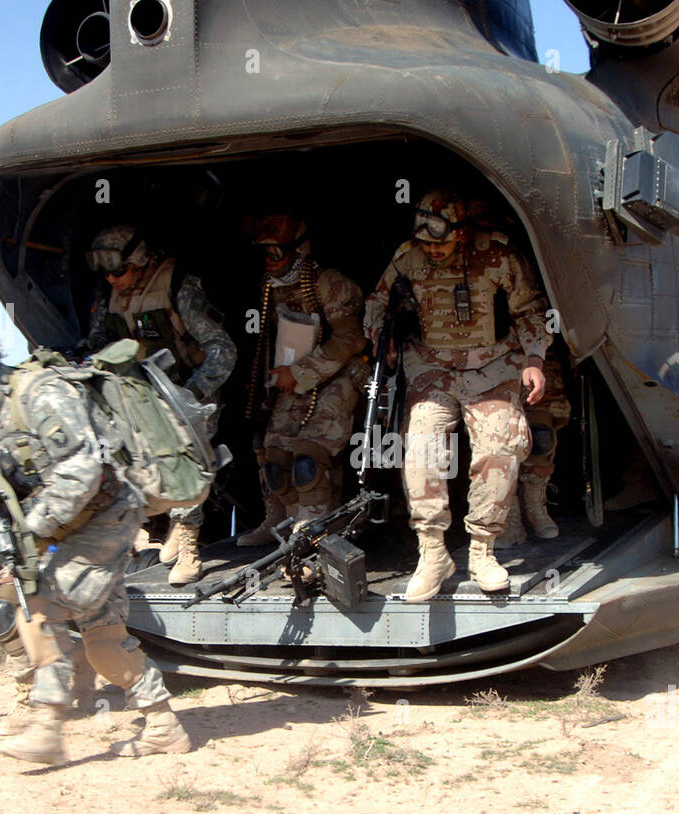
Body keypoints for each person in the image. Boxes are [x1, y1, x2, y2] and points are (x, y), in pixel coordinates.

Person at [0, 319, 191, 765]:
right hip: (66, 524)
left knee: (37, 602)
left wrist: (32, 534)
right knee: (104, 641)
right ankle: (163, 725)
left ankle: (47, 723)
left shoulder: (40, 393)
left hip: (107, 515)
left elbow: (82, 470)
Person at [364, 190, 550, 602]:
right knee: (419, 449)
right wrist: (383, 336)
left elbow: (530, 309)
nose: (432, 250)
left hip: (494, 365)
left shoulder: (498, 255)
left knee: (500, 446)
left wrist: (535, 357)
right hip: (432, 366)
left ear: (462, 233)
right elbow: (377, 302)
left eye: (441, 242)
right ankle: (432, 553)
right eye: (427, 242)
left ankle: (483, 551)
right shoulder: (408, 257)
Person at [84, 225, 237, 584]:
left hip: (188, 393)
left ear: (138, 263)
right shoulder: (109, 296)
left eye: (119, 271)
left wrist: (191, 395)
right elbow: (96, 342)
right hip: (140, 401)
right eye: (106, 273)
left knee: (185, 465)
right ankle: (163, 531)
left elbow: (222, 348)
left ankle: (189, 548)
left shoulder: (177, 287)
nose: (112, 279)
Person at [237, 212, 368, 544]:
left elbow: (350, 339)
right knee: (274, 460)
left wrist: (300, 373)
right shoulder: (272, 287)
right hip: (292, 380)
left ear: (299, 250)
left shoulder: (329, 284)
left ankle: (314, 533)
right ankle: (285, 522)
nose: (270, 260)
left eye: (277, 252)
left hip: (336, 376)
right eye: (264, 252)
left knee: (308, 458)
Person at [499, 349, 570, 546]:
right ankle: (509, 517)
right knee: (497, 442)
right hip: (489, 361)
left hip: (535, 357)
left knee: (541, 438)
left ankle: (535, 506)